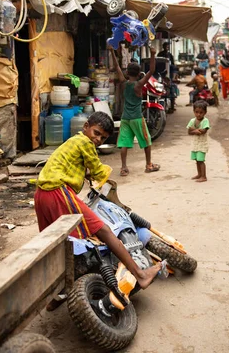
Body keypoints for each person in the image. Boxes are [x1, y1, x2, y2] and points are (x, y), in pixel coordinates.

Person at [34, 111, 161, 289]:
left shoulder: (74, 141)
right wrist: (105, 177)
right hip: (58, 192)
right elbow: (98, 171)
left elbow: (77, 168)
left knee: (55, 245)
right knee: (104, 231)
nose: (98, 140)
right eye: (96, 133)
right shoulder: (85, 142)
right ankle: (140, 274)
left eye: (103, 138)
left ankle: (55, 294)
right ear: (86, 127)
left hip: (41, 194)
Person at [109, 45, 161, 176]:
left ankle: (123, 167)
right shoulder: (138, 85)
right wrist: (153, 54)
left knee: (124, 143)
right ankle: (149, 164)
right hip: (137, 117)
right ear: (138, 74)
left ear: (127, 73)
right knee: (146, 141)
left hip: (125, 118)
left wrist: (111, 51)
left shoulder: (123, 83)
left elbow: (117, 68)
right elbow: (152, 70)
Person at [187, 100, 210, 182]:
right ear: (194, 112)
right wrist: (196, 130)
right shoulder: (192, 121)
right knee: (197, 160)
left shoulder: (205, 121)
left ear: (205, 112)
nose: (198, 114)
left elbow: (204, 131)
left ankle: (204, 176)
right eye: (196, 112)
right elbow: (189, 132)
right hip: (195, 144)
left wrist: (194, 130)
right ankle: (199, 174)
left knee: (201, 160)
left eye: (201, 112)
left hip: (202, 144)